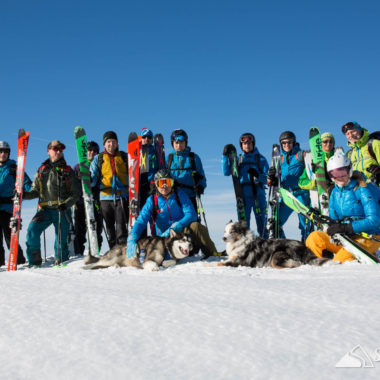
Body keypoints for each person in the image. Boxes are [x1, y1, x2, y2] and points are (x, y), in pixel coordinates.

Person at [126, 170, 223, 259]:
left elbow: (191, 214)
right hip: (163, 237)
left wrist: (178, 225)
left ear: (172, 184)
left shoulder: (180, 195)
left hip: (181, 233)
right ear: (156, 184)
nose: (164, 186)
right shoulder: (152, 200)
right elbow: (141, 220)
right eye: (160, 183)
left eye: (167, 182)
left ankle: (212, 254)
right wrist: (132, 237)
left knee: (196, 226)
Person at [306, 152, 380, 262]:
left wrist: (346, 228)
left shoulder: (362, 189)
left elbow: (374, 220)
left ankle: (364, 256)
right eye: (334, 174)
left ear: (349, 170)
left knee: (338, 262)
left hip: (368, 236)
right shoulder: (334, 193)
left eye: (342, 172)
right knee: (314, 238)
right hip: (347, 238)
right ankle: (317, 266)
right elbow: (334, 221)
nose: (339, 177)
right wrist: (325, 220)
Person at [23, 140, 80, 265]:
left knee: (60, 239)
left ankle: (61, 262)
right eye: (55, 149)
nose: (58, 151)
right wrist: (23, 195)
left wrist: (66, 204)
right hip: (44, 210)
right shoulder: (41, 170)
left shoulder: (67, 170)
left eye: (60, 149)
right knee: (32, 231)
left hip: (62, 209)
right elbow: (35, 191)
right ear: (48, 151)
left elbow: (76, 193)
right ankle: (34, 263)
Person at [221, 133, 269, 236]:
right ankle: (245, 246)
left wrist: (259, 177)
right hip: (243, 196)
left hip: (258, 194)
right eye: (244, 144)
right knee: (243, 225)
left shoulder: (260, 159)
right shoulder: (238, 159)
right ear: (241, 146)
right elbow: (226, 172)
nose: (247, 145)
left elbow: (267, 179)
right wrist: (225, 157)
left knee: (262, 223)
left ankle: (264, 244)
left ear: (253, 144)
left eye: (249, 143)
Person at [267, 131, 310, 241]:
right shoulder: (280, 159)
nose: (287, 145)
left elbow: (311, 171)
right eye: (284, 143)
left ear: (294, 142)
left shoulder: (302, 155)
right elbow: (272, 182)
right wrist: (271, 177)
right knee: (276, 223)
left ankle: (307, 247)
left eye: (289, 142)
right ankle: (284, 245)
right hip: (287, 195)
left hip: (301, 194)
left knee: (305, 225)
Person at [90, 131, 128, 248]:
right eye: (108, 142)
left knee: (121, 227)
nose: (111, 144)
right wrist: (86, 177)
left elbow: (133, 172)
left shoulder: (123, 156)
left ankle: (123, 251)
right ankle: (113, 250)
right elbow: (93, 179)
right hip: (105, 197)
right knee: (110, 228)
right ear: (104, 144)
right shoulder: (99, 158)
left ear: (117, 143)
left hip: (121, 196)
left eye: (113, 141)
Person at [0, 141, 32, 266]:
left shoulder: (14, 167)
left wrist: (28, 190)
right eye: (0, 151)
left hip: (9, 209)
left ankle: (19, 262)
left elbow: (27, 184)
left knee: (10, 238)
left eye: (5, 152)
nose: (3, 154)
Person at [166, 129, 206, 217]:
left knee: (192, 223)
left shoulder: (193, 158)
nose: (179, 145)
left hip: (190, 197)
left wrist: (200, 186)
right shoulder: (168, 159)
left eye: (182, 142)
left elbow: (202, 177)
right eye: (176, 143)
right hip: (172, 197)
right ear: (172, 143)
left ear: (186, 143)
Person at [73, 141, 103, 255]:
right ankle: (78, 253)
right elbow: (73, 184)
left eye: (95, 151)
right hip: (81, 202)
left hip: (95, 201)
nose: (92, 153)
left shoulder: (99, 166)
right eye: (90, 150)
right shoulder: (77, 167)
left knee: (96, 229)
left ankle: (95, 252)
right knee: (80, 230)